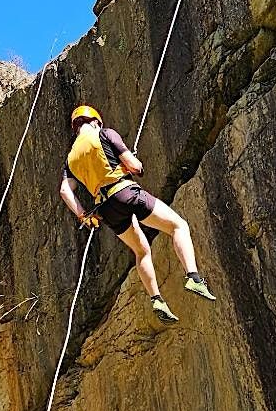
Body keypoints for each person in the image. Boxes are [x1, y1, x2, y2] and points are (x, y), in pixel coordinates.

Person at [60, 105, 215, 326]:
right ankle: (193, 277)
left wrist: (83, 215)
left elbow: (65, 191)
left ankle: (156, 299)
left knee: (141, 250)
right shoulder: (104, 133)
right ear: (94, 121)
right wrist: (136, 166)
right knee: (178, 226)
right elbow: (134, 166)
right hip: (125, 192)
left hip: (105, 208)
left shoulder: (71, 158)